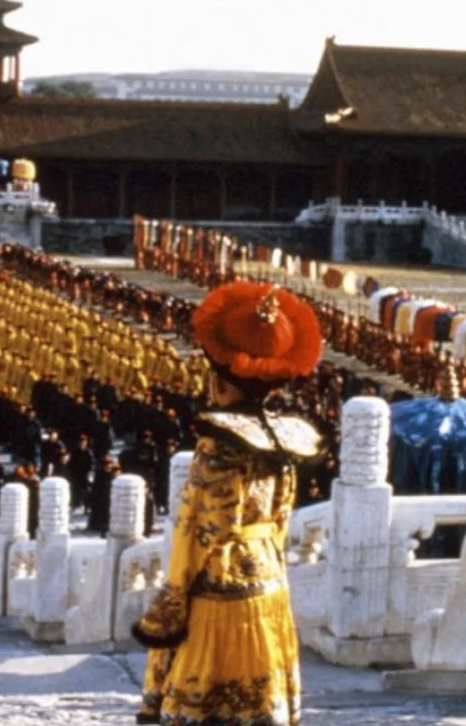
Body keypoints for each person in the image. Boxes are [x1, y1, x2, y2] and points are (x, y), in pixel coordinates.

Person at [133, 281, 324, 726]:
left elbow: (199, 529)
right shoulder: (284, 439)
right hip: (268, 571)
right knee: (259, 698)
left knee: (208, 697)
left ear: (218, 380)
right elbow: (281, 517)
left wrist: (174, 593)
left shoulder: (218, 445)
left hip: (219, 576)